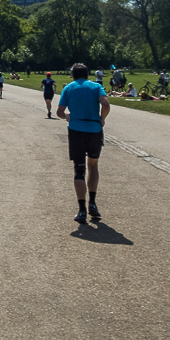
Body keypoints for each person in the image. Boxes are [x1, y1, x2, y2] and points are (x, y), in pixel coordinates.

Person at [56, 63, 110, 223]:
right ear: (87, 74)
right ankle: (92, 203)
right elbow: (105, 104)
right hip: (94, 130)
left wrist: (68, 117)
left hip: (76, 130)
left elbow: (59, 112)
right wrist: (102, 119)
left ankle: (81, 210)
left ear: (73, 74)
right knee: (93, 165)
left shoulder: (69, 88)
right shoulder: (96, 86)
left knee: (79, 170)